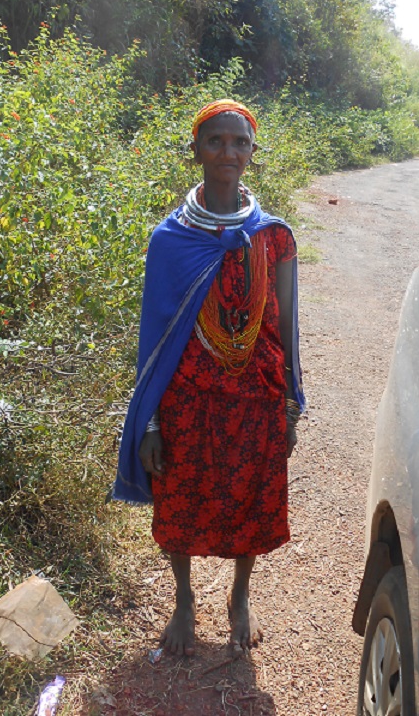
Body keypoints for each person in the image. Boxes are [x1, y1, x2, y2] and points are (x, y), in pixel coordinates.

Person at [113, 98, 305, 656]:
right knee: (181, 500)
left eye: (240, 142)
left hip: (256, 393)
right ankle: (184, 601)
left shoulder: (275, 237)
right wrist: (148, 424)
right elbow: (153, 339)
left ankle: (239, 596)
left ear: (252, 153)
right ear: (196, 150)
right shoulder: (170, 239)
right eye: (216, 141)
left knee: (253, 496)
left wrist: (291, 405)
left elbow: (287, 324)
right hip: (186, 398)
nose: (228, 151)